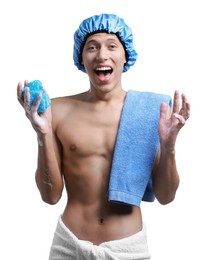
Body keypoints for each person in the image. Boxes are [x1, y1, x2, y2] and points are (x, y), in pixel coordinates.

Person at [17, 13, 190, 260]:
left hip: (128, 249)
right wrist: (42, 133)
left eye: (111, 46)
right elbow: (50, 196)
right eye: (92, 47)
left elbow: (166, 196)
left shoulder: (151, 112)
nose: (101, 55)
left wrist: (169, 146)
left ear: (125, 56)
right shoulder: (58, 111)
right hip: (69, 246)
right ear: (81, 58)